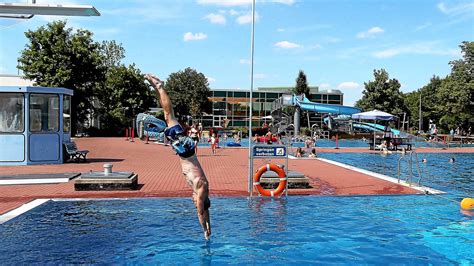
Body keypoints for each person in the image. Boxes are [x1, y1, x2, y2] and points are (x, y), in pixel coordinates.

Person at [145, 74, 211, 240]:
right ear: (201, 199)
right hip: (185, 150)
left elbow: (206, 210)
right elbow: (201, 211)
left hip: (185, 150)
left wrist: (210, 226)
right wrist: (204, 229)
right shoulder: (201, 189)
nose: (193, 200)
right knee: (169, 116)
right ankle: (159, 86)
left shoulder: (201, 191)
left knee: (169, 117)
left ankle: (158, 88)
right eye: (196, 200)